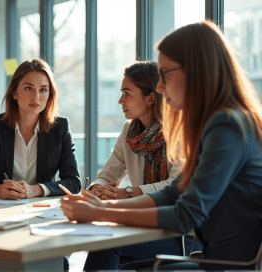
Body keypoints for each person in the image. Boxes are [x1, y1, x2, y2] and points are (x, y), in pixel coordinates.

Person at [61, 20, 262, 271]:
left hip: (223, 266)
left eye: (165, 73)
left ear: (195, 71)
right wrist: (103, 206)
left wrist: (101, 214)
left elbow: (184, 214)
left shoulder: (227, 125)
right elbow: (172, 193)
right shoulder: (215, 123)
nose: (159, 86)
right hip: (211, 259)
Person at [83, 61, 202, 271]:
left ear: (150, 98)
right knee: (104, 241)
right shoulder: (129, 130)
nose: (120, 100)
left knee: (107, 245)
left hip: (178, 235)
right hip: (141, 223)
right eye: (121, 92)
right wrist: (98, 189)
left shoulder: (181, 131)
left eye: (127, 93)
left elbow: (174, 187)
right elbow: (109, 173)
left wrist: (125, 194)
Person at [0, 58, 81, 199]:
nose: (36, 97)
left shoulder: (60, 128)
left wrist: (35, 190)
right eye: (28, 88)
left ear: (49, 95)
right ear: (14, 93)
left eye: (43, 90)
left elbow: (74, 182)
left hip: (41, 210)